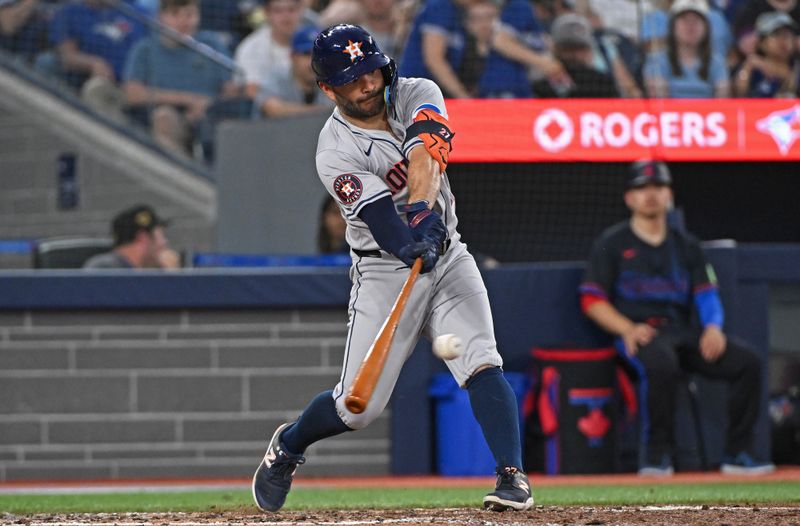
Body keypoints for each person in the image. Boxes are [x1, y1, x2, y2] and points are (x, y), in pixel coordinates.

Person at [252, 24, 533, 513]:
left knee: (482, 360)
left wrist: (425, 218)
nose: (366, 84)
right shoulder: (333, 149)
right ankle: (289, 445)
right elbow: (380, 217)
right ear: (327, 88)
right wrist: (409, 243)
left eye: (370, 71)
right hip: (383, 268)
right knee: (356, 409)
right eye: (351, 78)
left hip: (446, 253)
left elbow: (425, 152)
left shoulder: (417, 92)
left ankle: (512, 476)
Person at [578, 160, 775, 476]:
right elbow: (591, 300)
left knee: (747, 362)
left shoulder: (687, 245)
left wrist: (713, 328)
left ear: (669, 194)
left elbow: (706, 293)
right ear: (629, 198)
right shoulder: (612, 242)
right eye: (642, 188)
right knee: (661, 363)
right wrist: (626, 328)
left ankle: (738, 453)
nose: (650, 195)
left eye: (657, 187)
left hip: (683, 332)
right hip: (639, 334)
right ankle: (657, 457)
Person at [122, 0, 237, 155]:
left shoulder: (212, 44)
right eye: (175, 14)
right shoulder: (145, 49)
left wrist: (210, 107)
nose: (183, 21)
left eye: (190, 14)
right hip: (162, 118)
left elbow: (231, 90)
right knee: (164, 117)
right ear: (161, 16)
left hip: (209, 118)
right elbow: (133, 94)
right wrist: (188, 99)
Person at [48, 0, 147, 120]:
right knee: (97, 89)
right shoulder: (70, 11)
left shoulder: (136, 13)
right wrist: (94, 63)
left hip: (131, 87)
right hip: (90, 82)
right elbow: (68, 57)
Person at [643, 0, 730, 97]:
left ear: (706, 28)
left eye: (697, 19)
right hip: (670, 111)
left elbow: (722, 101)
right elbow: (658, 103)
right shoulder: (658, 61)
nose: (691, 26)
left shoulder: (717, 62)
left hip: (708, 111)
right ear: (672, 27)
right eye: (684, 19)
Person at [532, 12, 620, 97]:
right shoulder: (542, 86)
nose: (574, 55)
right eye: (568, 49)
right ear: (555, 50)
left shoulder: (603, 83)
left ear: (589, 51)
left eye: (579, 49)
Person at [255, 24, 334, 117]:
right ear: (292, 57)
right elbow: (272, 109)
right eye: (306, 54)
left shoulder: (332, 79)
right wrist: (321, 111)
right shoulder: (277, 76)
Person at [234, 0, 304, 100]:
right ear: (267, 13)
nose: (286, 17)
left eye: (291, 10)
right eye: (278, 11)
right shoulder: (252, 48)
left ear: (300, 11)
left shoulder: (313, 41)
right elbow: (252, 92)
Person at [83, 204, 175, 269]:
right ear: (143, 238)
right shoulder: (104, 269)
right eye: (161, 236)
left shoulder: (145, 272)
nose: (164, 243)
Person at [733, 11, 800, 96]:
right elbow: (739, 94)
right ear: (761, 42)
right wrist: (748, 67)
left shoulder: (796, 67)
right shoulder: (752, 66)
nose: (783, 40)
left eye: (788, 35)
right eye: (776, 34)